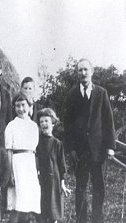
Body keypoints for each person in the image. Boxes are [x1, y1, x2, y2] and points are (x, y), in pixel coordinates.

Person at [64, 58, 116, 223]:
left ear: (92, 72)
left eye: (86, 70)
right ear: (77, 73)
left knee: (98, 187)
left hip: (98, 149)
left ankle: (97, 219)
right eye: (80, 70)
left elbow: (108, 121)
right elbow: (68, 124)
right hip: (80, 151)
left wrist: (110, 147)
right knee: (81, 187)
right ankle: (81, 219)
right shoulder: (72, 94)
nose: (83, 73)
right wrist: (71, 148)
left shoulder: (101, 93)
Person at [5, 93, 41, 223]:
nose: (21, 109)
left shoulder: (34, 126)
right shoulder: (11, 126)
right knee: (17, 204)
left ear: (29, 106)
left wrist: (36, 170)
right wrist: (10, 173)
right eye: (17, 106)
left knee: (28, 204)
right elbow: (9, 150)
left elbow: (34, 151)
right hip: (17, 164)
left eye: (23, 105)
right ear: (14, 108)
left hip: (30, 165)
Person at [36, 108, 70, 223]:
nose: (44, 124)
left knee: (53, 211)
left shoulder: (57, 143)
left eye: (46, 121)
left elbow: (62, 165)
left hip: (53, 182)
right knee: (40, 211)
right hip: (41, 181)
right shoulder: (37, 142)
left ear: (53, 123)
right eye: (41, 122)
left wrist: (62, 184)